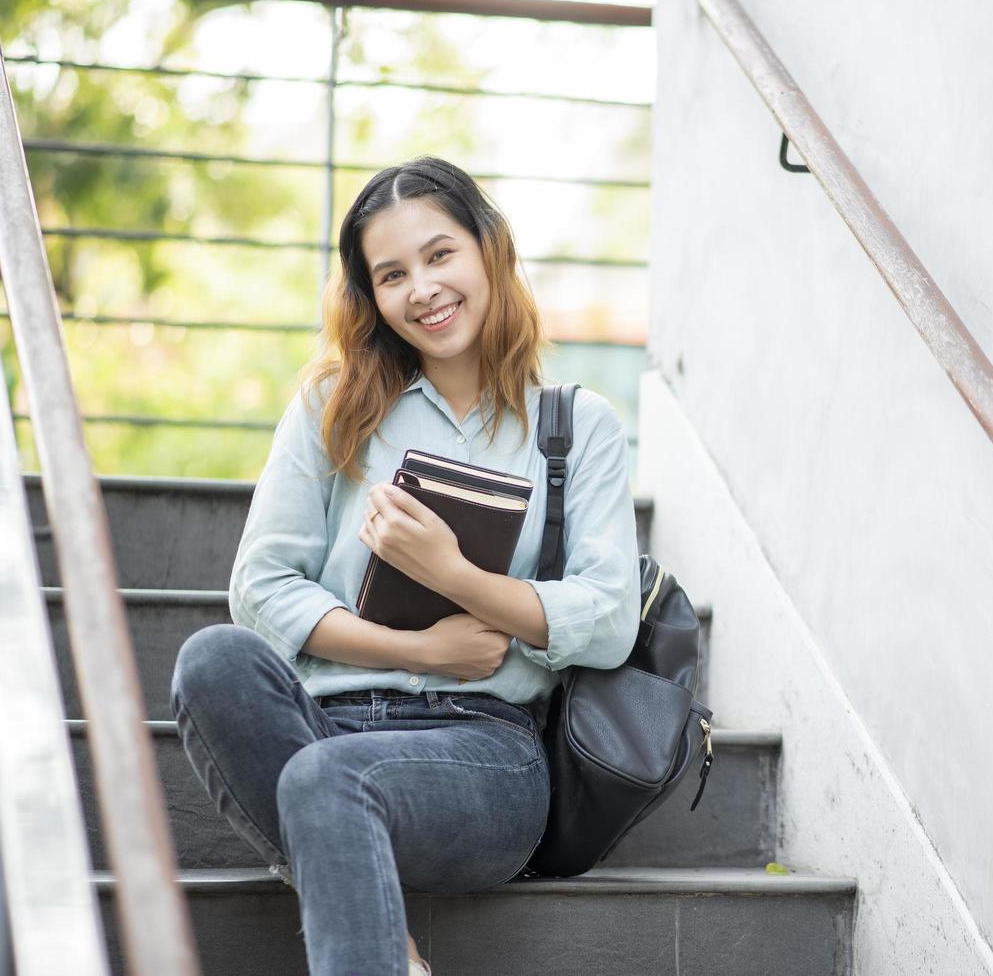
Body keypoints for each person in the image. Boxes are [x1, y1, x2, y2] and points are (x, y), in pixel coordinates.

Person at [169, 156, 640, 976]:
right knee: (214, 660)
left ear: (489, 249)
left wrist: (453, 575)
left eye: (439, 255)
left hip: (486, 754)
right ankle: (392, 947)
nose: (421, 288)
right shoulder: (330, 407)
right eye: (391, 275)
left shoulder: (577, 427)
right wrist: (420, 651)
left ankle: (351, 897)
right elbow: (261, 587)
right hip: (326, 725)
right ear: (371, 298)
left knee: (322, 782)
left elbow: (606, 619)